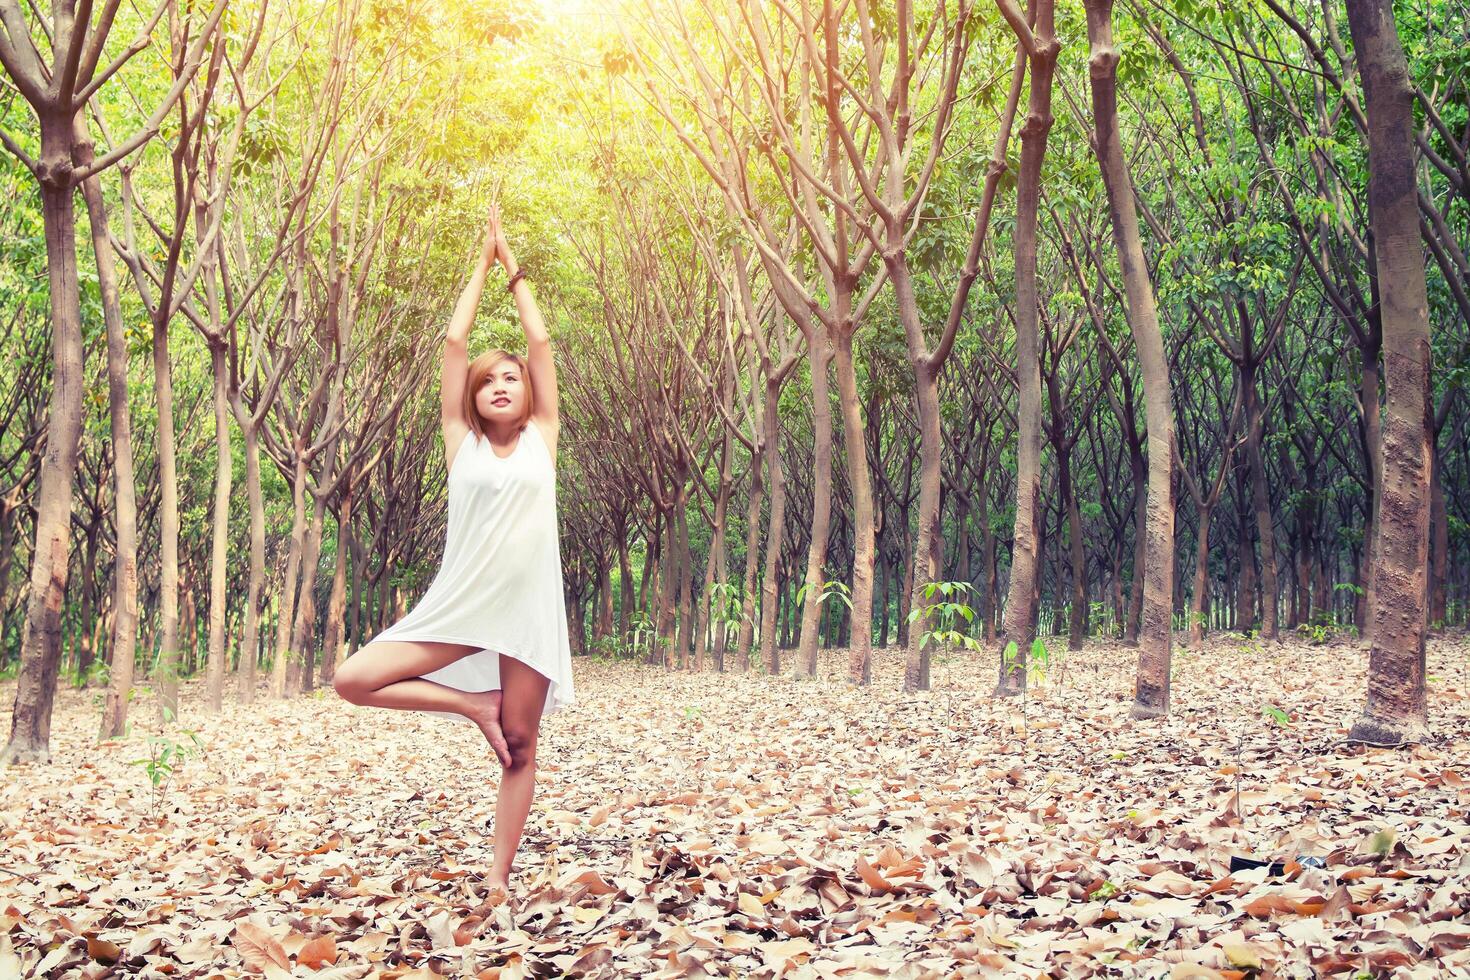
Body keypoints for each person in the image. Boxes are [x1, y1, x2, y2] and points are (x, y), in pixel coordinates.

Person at [333, 201, 575, 897]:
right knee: (354, 680)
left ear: (527, 395)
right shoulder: (458, 441)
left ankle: (498, 879)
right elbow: (451, 346)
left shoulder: (543, 438)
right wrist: (480, 260)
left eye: (511, 379)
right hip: (463, 605)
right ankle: (473, 706)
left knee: (522, 747)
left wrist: (516, 268)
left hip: (526, 612)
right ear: (473, 399)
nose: (501, 384)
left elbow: (542, 346)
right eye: (488, 381)